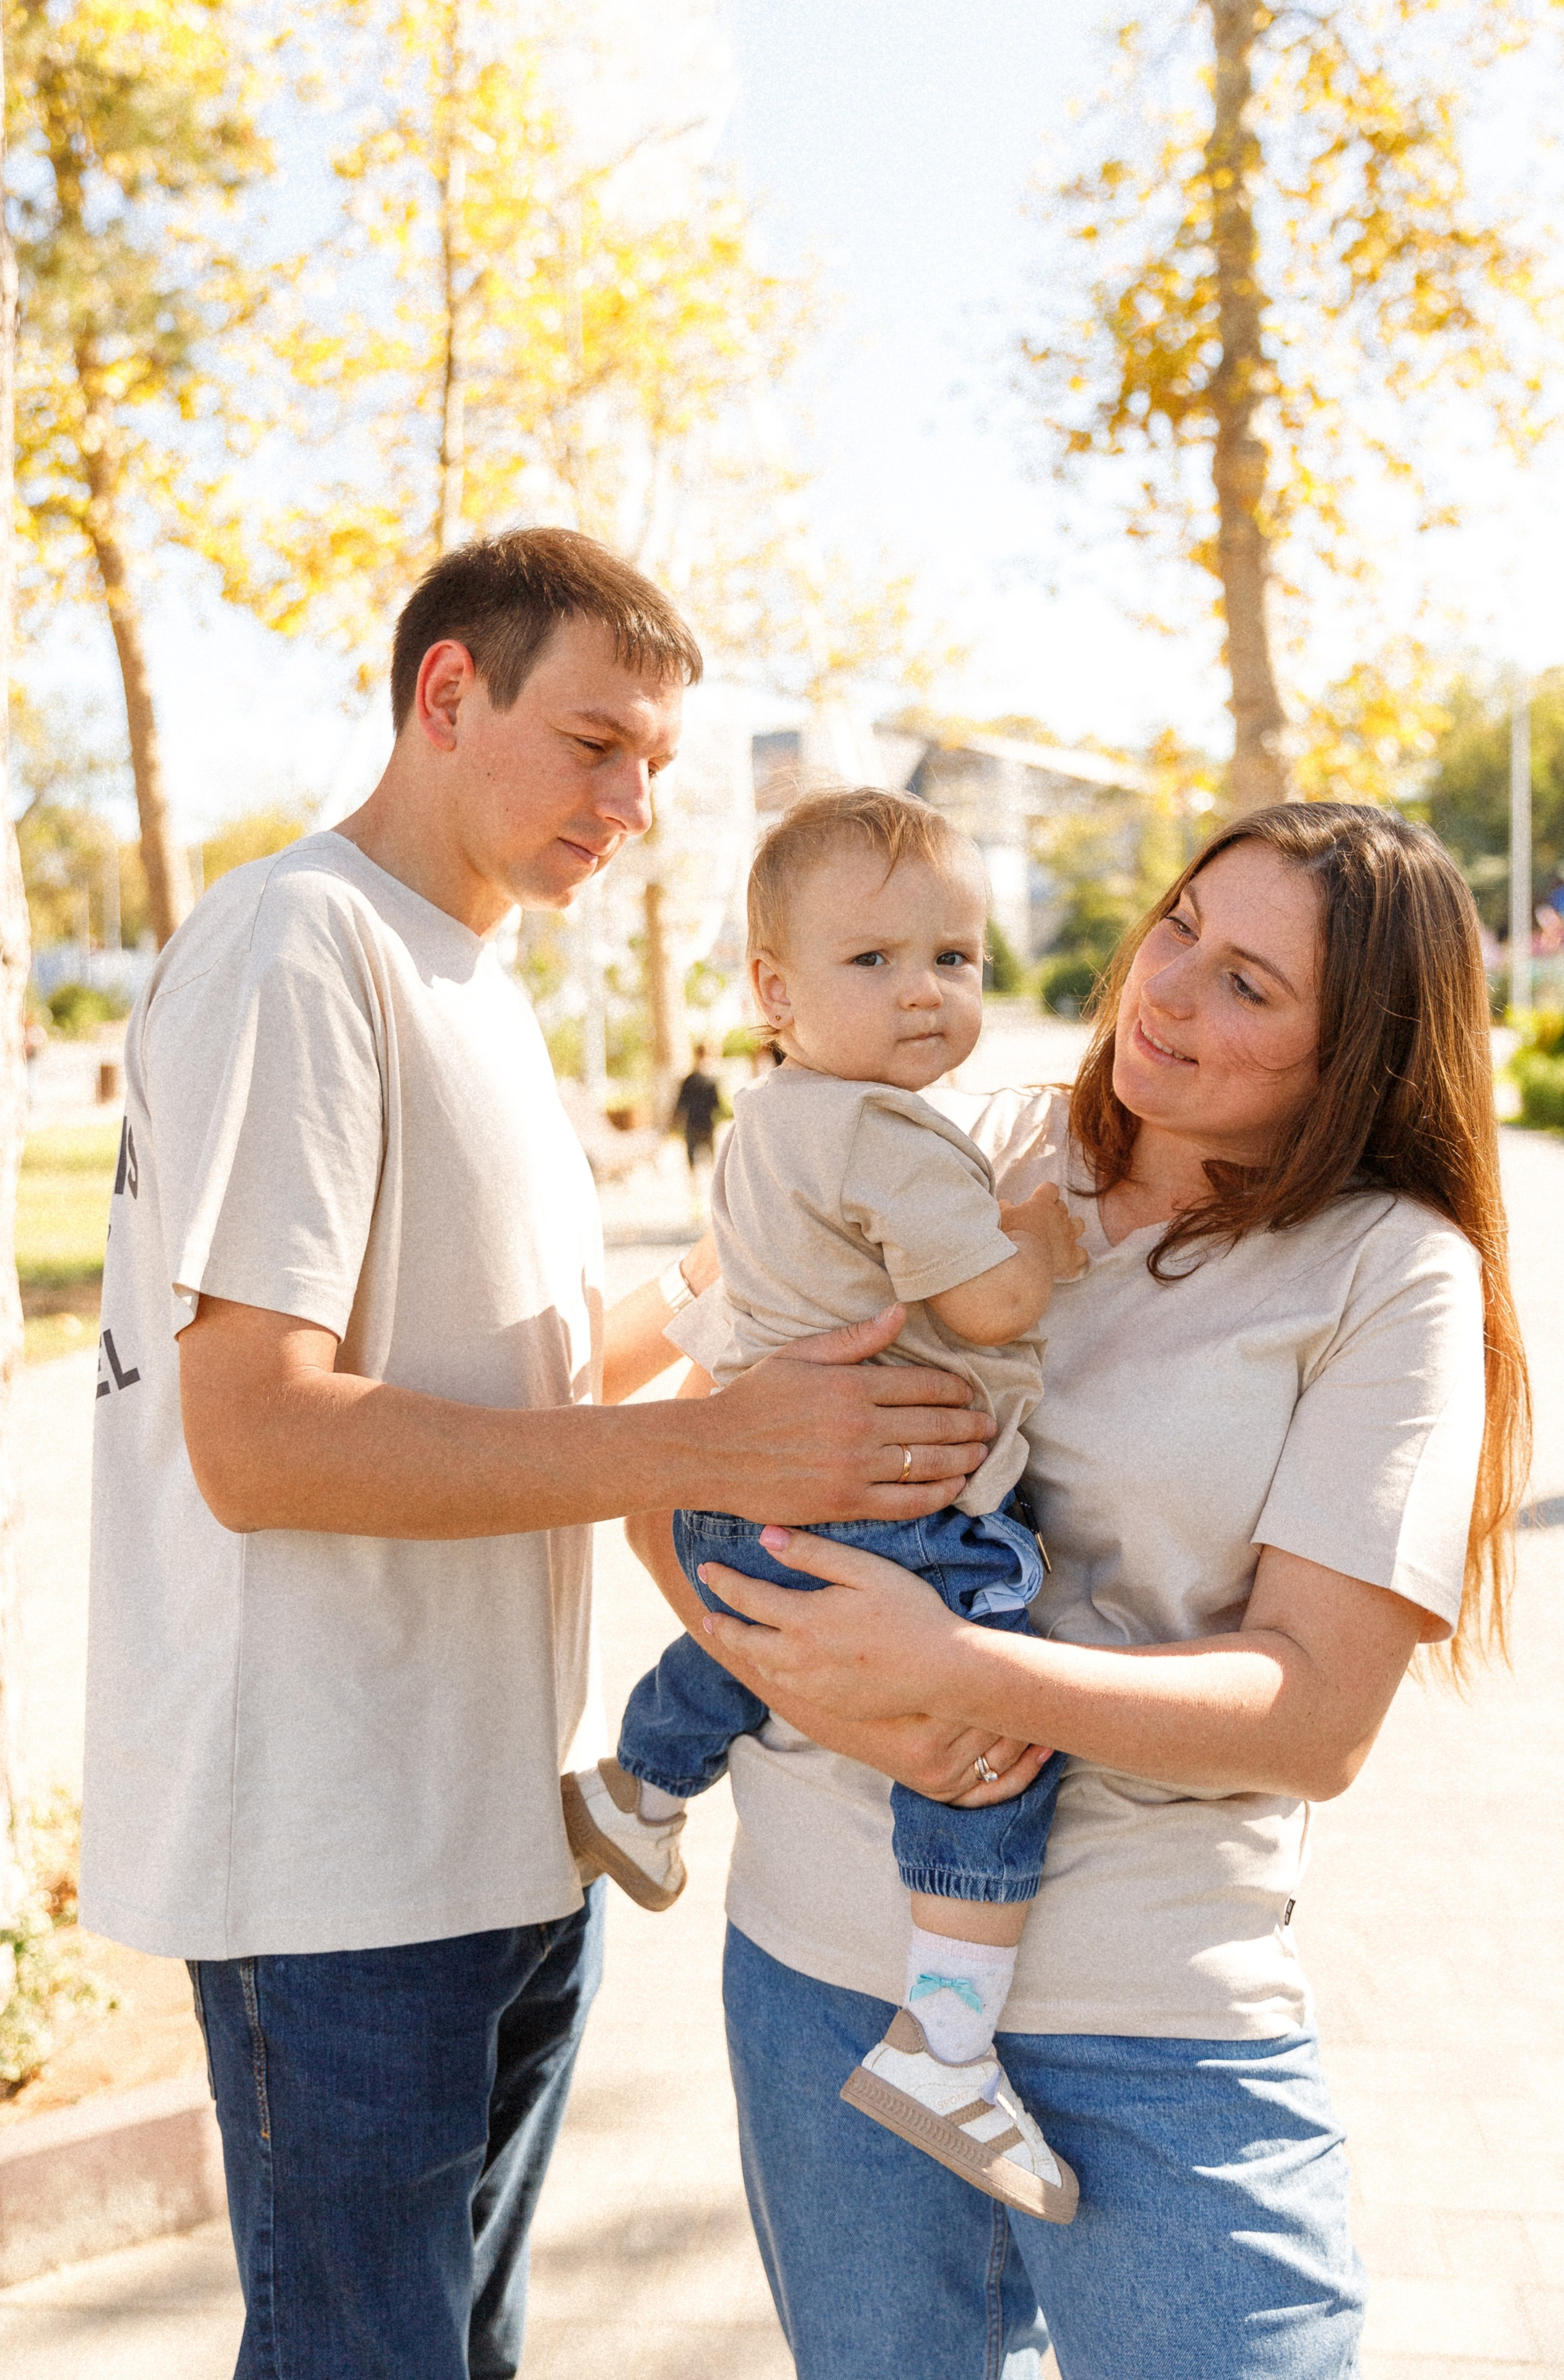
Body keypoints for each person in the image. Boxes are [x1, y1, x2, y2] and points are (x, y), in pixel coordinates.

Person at [80, 528, 996, 2380]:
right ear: (444, 694)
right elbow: (257, 1433)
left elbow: (535, 1371)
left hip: (501, 1830)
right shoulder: (300, 938)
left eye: (656, 760)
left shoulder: (477, 985)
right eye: (596, 742)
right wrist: (719, 1435)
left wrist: (778, 1268)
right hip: (332, 1864)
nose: (636, 801)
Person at [625, 800, 1529, 2380]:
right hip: (821, 1979)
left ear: (1358, 1055)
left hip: (1154, 2026)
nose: (1167, 989)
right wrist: (791, 1659)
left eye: (1251, 984)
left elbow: (1311, 1717)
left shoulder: (1386, 1271)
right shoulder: (969, 1140)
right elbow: (660, 1453)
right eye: (1178, 925)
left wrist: (958, 1676)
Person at [565, 791, 1086, 2224]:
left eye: (957, 958)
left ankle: (638, 1785)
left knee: (748, 1628)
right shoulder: (891, 1136)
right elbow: (983, 1299)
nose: (925, 989)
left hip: (759, 1498)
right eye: (874, 962)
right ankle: (946, 2042)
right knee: (996, 1748)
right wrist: (1039, 1238)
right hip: (888, 1511)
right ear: (774, 989)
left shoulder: (769, 1120)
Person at [674, 1041, 724, 1176]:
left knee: (694, 1157)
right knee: (710, 1157)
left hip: (694, 1123)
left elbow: (681, 1104)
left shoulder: (689, 1079)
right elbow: (717, 1105)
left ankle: (696, 1186)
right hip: (705, 1123)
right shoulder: (711, 1080)